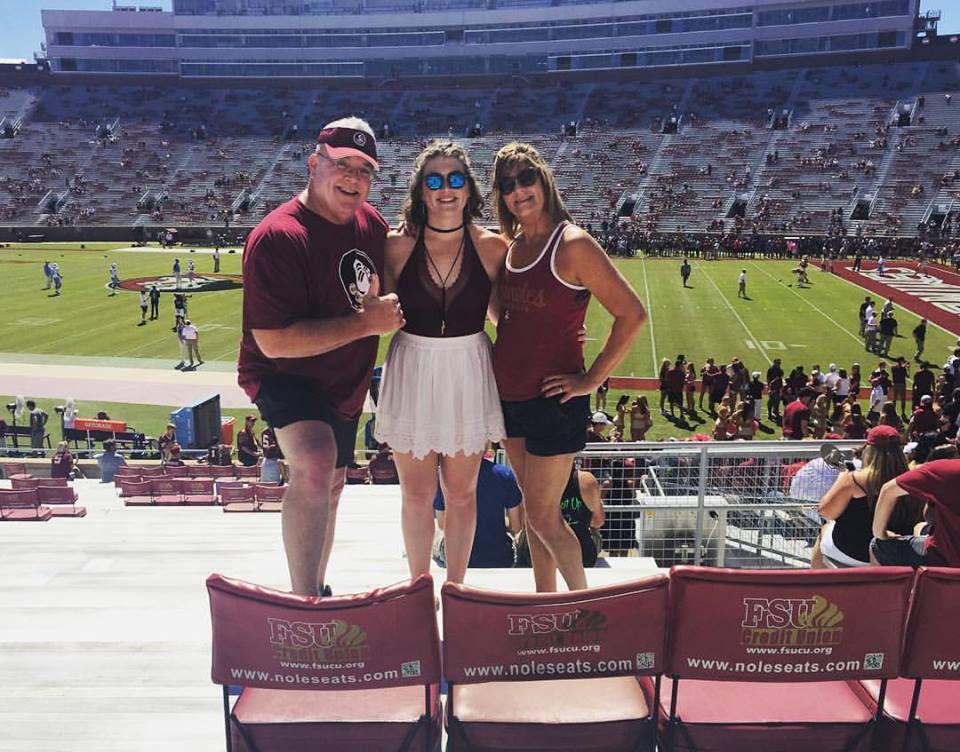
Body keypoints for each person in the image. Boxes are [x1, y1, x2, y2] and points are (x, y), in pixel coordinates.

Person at [237, 116, 401, 596]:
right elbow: (272, 341)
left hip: (342, 382)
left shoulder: (372, 226)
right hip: (284, 372)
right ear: (314, 164)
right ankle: (304, 599)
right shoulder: (279, 236)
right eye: (342, 165)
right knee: (314, 461)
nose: (353, 178)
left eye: (364, 170)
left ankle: (317, 589)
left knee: (332, 482)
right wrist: (366, 324)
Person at [490, 141, 645, 592]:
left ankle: (581, 605)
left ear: (544, 180)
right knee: (536, 513)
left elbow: (632, 314)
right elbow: (507, 315)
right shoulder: (513, 247)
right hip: (508, 396)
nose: (518, 191)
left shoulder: (572, 244)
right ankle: (546, 600)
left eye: (526, 178)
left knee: (542, 516)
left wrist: (592, 379)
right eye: (507, 185)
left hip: (553, 401)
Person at [375, 140, 506, 586]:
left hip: (468, 369)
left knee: (462, 493)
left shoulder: (492, 248)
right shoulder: (396, 246)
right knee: (416, 494)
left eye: (455, 179)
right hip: (412, 366)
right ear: (420, 190)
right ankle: (418, 585)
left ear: (468, 189)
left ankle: (456, 586)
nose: (445, 189)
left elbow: (506, 318)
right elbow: (379, 313)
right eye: (434, 180)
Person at [813, 425, 920, 568]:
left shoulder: (854, 480)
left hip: (853, 552)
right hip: (895, 554)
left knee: (824, 530)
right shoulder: (913, 479)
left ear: (869, 450)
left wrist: (841, 479)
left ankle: (815, 580)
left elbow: (826, 511)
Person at [433, 454, 522, 569]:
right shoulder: (505, 474)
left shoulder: (444, 475)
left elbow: (442, 524)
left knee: (435, 533)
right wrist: (493, 519)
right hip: (500, 558)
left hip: (458, 559)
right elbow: (516, 526)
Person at [871, 459, 960, 567]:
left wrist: (880, 533)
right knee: (919, 527)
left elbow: (888, 490)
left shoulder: (945, 470)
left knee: (877, 546)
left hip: (945, 559)